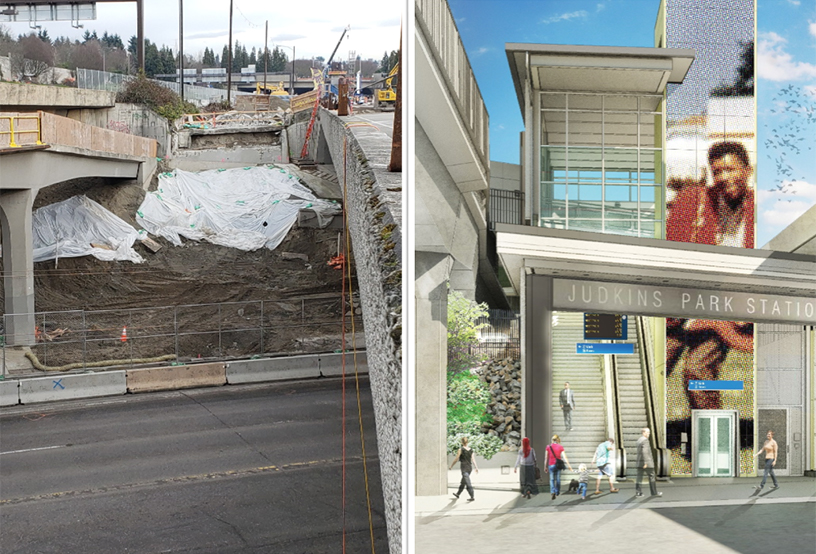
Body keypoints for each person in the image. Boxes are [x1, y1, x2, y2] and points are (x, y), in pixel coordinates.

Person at [667, 141, 755, 249]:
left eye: (730, 170)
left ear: (748, 171)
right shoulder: (691, 200)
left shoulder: (760, 206)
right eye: (717, 172)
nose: (723, 177)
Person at [544, 434, 573, 500]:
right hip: (558, 465)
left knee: (551, 479)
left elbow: (546, 457)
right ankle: (557, 492)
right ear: (558, 440)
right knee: (558, 479)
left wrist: (545, 466)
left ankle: (552, 492)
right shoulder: (560, 447)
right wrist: (569, 466)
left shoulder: (548, 447)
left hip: (551, 465)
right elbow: (564, 457)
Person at [449, 436, 478, 501]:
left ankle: (472, 496)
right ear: (467, 442)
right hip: (469, 468)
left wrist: (451, 466)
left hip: (464, 468)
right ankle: (458, 494)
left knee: (468, 482)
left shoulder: (460, 449)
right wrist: (476, 467)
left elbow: (456, 459)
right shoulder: (471, 450)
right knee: (463, 482)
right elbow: (473, 459)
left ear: (461, 442)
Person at [636, 428, 662, 497]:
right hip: (647, 463)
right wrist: (646, 462)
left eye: (649, 432)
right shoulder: (645, 440)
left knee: (639, 477)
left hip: (639, 462)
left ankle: (638, 492)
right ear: (643, 433)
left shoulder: (639, 440)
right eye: (647, 432)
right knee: (652, 476)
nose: (649, 434)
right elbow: (645, 452)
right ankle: (654, 492)